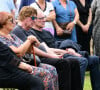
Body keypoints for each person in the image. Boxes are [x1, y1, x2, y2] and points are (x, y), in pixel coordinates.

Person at [23, 10, 100, 90]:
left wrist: (70, 48)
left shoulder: (46, 32)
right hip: (56, 55)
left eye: (44, 17)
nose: (44, 20)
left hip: (63, 51)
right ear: (34, 19)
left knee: (95, 59)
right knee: (82, 61)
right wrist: (67, 51)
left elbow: (56, 43)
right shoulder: (33, 33)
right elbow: (47, 49)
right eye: (41, 18)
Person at [12, 6, 83, 90]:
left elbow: (43, 46)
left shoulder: (29, 30)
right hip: (34, 59)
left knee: (74, 62)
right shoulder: (18, 30)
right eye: (33, 18)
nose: (34, 20)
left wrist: (62, 52)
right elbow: (32, 50)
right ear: (25, 17)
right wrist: (51, 56)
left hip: (42, 56)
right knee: (63, 63)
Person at [0, 11, 59, 90]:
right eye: (11, 21)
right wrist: (29, 40)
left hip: (26, 62)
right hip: (15, 66)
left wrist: (33, 42)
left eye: (14, 20)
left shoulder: (12, 36)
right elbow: (18, 52)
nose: (14, 22)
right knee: (46, 73)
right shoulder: (1, 38)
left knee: (52, 69)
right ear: (3, 23)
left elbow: (29, 49)